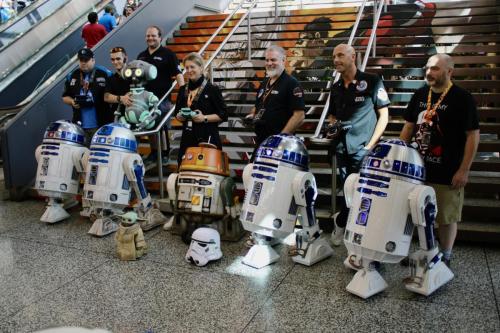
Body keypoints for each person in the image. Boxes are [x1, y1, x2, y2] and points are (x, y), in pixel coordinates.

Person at [399, 53, 480, 266]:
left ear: (449, 71)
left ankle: (446, 255)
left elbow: (472, 135)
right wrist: (399, 156)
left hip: (447, 169)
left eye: (435, 68)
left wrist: (464, 170)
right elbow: (408, 126)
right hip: (418, 169)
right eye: (427, 68)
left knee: (445, 216)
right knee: (417, 211)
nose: (428, 72)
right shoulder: (420, 93)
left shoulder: (462, 98)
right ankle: (426, 251)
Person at [328, 43, 390, 246]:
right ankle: (346, 226)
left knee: (362, 192)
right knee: (347, 192)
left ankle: (344, 223)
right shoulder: (335, 87)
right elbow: (332, 115)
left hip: (363, 149)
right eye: (334, 56)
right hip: (341, 148)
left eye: (340, 55)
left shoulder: (372, 80)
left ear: (352, 57)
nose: (336, 60)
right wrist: (332, 126)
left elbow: (384, 115)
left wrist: (370, 145)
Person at [245, 45, 305, 160]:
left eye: (273, 60)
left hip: (281, 146)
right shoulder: (264, 83)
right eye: (267, 60)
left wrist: (280, 139)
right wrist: (253, 115)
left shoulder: (292, 83)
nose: (269, 63)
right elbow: (259, 106)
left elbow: (299, 116)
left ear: (283, 60)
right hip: (261, 142)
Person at [137, 26, 185, 165]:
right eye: (148, 36)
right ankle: (154, 152)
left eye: (153, 36)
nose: (150, 38)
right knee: (150, 126)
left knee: (162, 127)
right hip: (145, 99)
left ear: (160, 37)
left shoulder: (168, 54)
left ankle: (165, 153)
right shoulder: (142, 56)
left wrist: (183, 92)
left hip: (162, 99)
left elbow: (178, 74)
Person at [174, 52, 227, 166]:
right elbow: (176, 113)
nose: (189, 70)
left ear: (201, 68)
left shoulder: (212, 89)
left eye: (192, 67)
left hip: (207, 138)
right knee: (184, 170)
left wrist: (204, 118)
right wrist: (180, 117)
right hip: (187, 138)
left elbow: (224, 114)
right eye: (186, 68)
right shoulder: (183, 89)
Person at [62, 48, 112, 142]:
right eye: (81, 60)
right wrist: (72, 102)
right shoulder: (72, 76)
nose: (83, 63)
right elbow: (65, 97)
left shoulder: (105, 73)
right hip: (79, 126)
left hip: (101, 125)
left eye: (86, 60)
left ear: (93, 60)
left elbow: (111, 95)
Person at [104, 46, 132, 118]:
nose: (115, 62)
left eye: (118, 59)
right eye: (113, 59)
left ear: (125, 58)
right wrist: (121, 98)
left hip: (137, 114)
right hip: (120, 118)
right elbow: (106, 97)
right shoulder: (110, 79)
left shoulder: (135, 73)